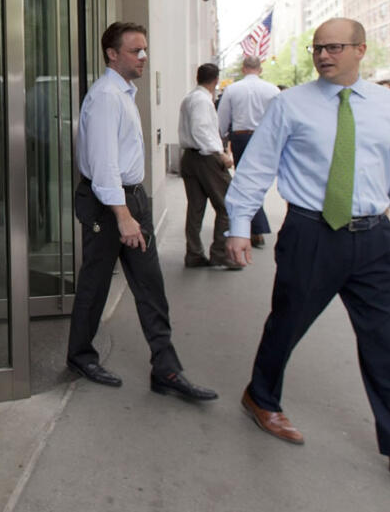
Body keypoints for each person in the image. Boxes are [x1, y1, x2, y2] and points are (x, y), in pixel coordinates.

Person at [225, 18, 390, 511]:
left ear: (361, 50)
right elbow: (257, 167)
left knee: (386, 345)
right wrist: (237, 225)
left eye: (335, 47)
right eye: (319, 47)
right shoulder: (290, 103)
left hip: (374, 239)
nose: (323, 55)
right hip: (311, 234)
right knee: (287, 323)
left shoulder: (387, 108)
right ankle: (261, 397)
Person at [66, 22, 218, 402]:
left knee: (150, 285)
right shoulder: (105, 96)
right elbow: (103, 166)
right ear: (112, 54)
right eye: (136, 51)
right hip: (110, 204)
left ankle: (166, 369)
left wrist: (134, 209)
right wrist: (123, 216)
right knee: (95, 284)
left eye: (145, 50)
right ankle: (80, 357)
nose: (143, 57)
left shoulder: (124, 94)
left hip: (131, 199)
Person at [177, 62, 237, 269]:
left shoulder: (190, 98)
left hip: (190, 157)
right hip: (206, 156)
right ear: (215, 80)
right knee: (228, 204)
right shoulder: (202, 100)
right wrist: (220, 154)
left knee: (195, 208)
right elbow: (201, 130)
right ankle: (220, 253)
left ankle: (194, 254)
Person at [217, 55, 280, 248]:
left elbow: (222, 118)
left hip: (242, 136)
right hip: (266, 136)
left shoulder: (232, 90)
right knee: (259, 180)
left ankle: (255, 228)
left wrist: (221, 139)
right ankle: (255, 228)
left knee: (245, 180)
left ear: (244, 69)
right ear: (260, 70)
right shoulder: (273, 90)